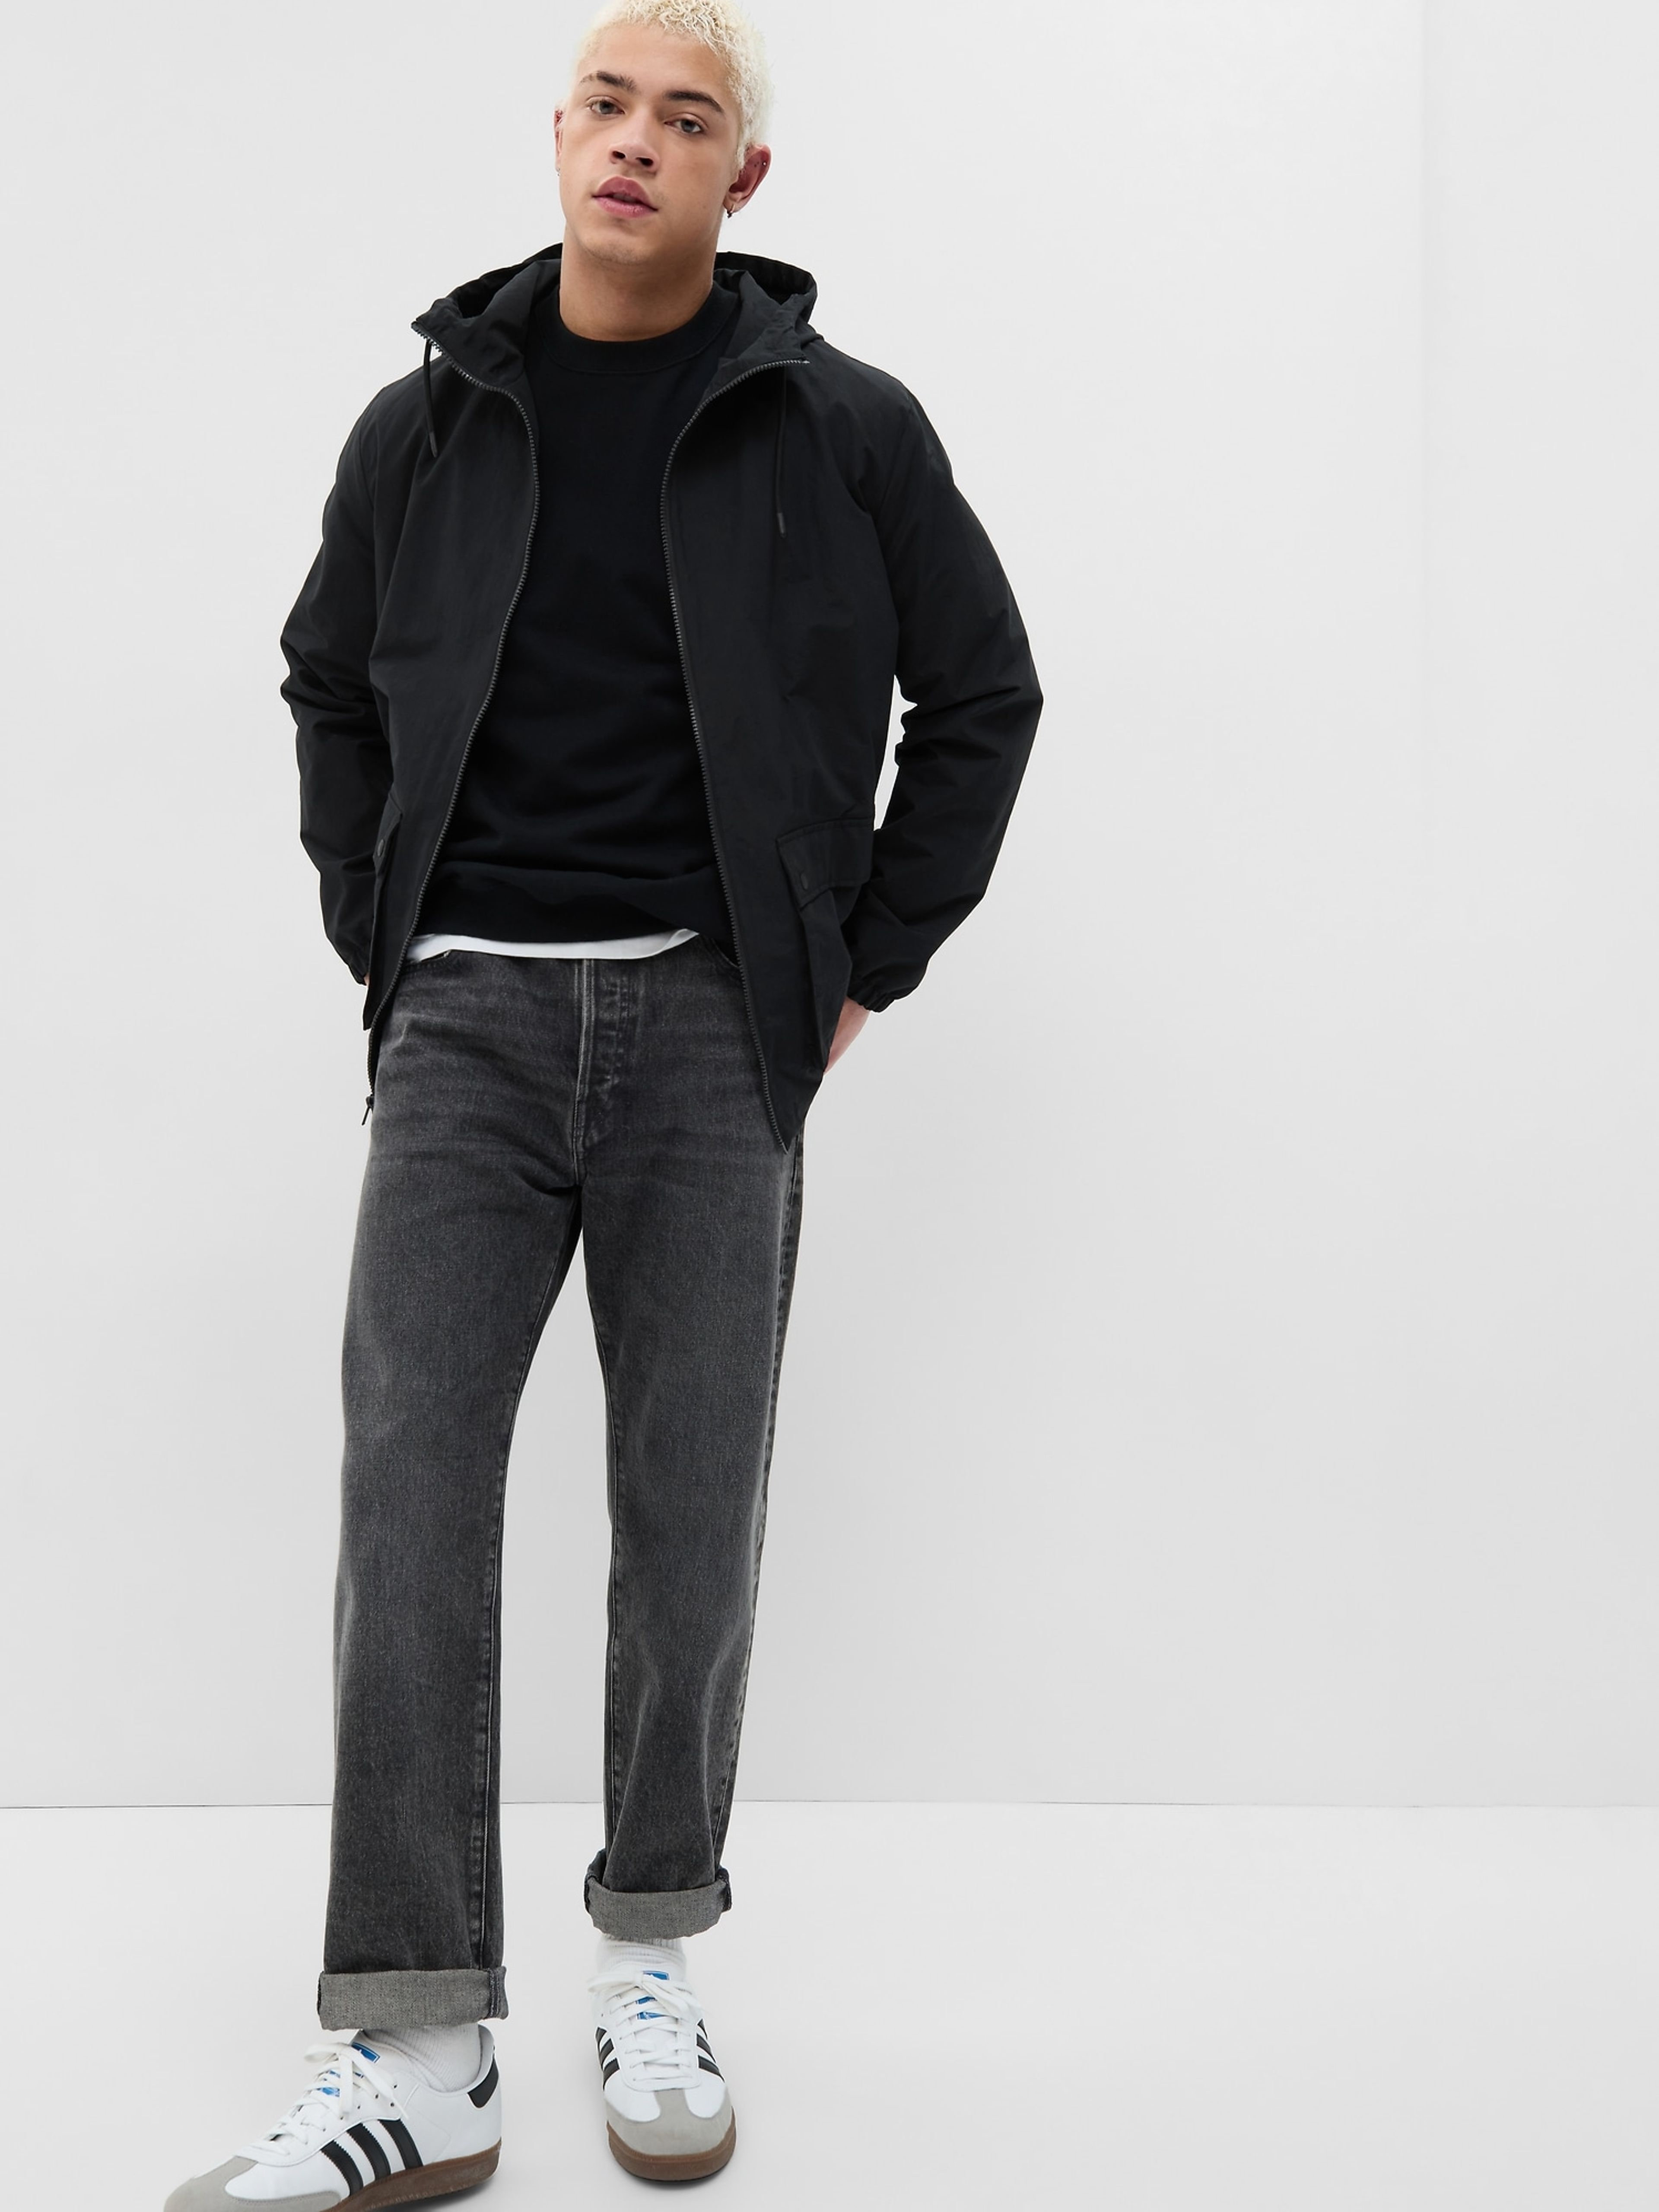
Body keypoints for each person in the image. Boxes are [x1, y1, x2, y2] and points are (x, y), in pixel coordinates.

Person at [165, 0, 1040, 2200]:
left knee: (690, 1512)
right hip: (465, 1028)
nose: (636, 142)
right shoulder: (425, 426)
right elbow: (326, 679)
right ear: (558, 134)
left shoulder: (844, 429)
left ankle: (651, 1951)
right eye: (607, 104)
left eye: (688, 117)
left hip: (713, 1031)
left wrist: (865, 960)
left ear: (746, 177)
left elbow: (985, 693)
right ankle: (418, 2039)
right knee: (409, 1489)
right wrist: (385, 929)